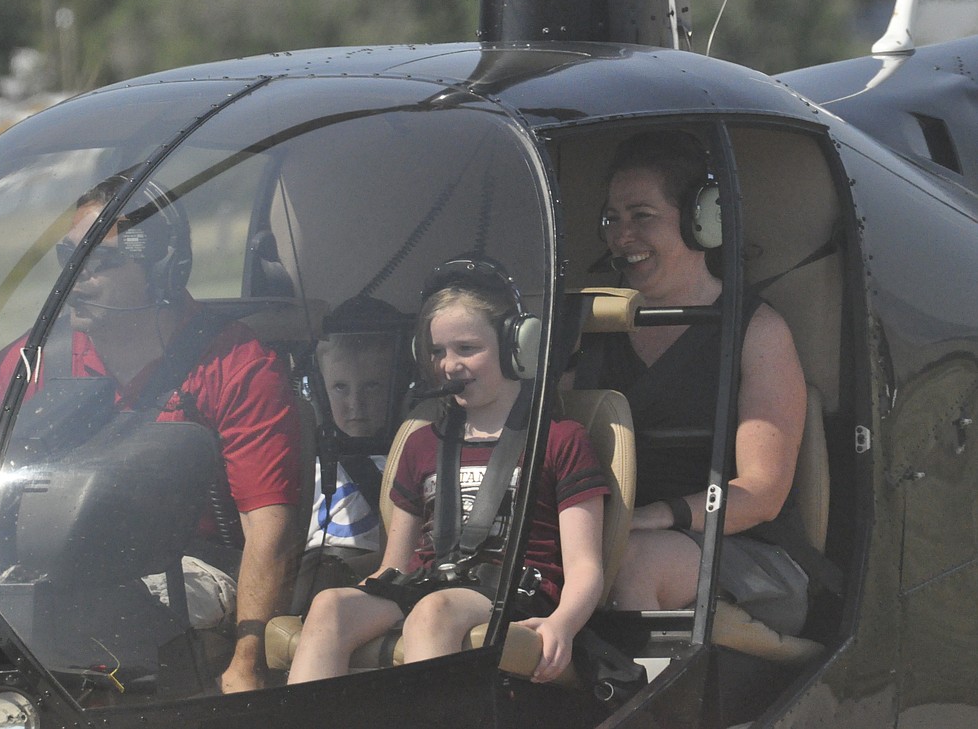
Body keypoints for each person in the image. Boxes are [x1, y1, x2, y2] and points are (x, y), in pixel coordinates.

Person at [0, 174, 303, 693]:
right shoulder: (28, 364)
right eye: (67, 259)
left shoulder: (237, 366)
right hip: (50, 562)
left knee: (102, 607)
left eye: (99, 262)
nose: (75, 277)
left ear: (163, 271)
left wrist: (246, 664)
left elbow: (269, 529)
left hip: (187, 561)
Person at [287, 261, 608, 685]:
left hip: (517, 592)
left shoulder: (561, 439)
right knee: (330, 604)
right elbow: (395, 566)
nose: (449, 365)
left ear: (517, 349)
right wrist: (352, 600)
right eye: (437, 352)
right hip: (431, 583)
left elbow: (586, 568)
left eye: (467, 348)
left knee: (433, 612)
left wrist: (563, 624)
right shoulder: (421, 443)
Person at [574, 130, 809, 635]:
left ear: (702, 220)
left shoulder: (756, 330)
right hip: (606, 536)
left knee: (632, 562)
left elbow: (762, 493)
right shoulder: (592, 327)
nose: (622, 236)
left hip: (745, 556)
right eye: (612, 219)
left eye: (642, 216)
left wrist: (655, 517)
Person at [305, 296, 408, 558]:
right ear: (319, 391)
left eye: (372, 386)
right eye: (340, 388)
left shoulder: (409, 462)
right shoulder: (307, 465)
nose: (355, 404)